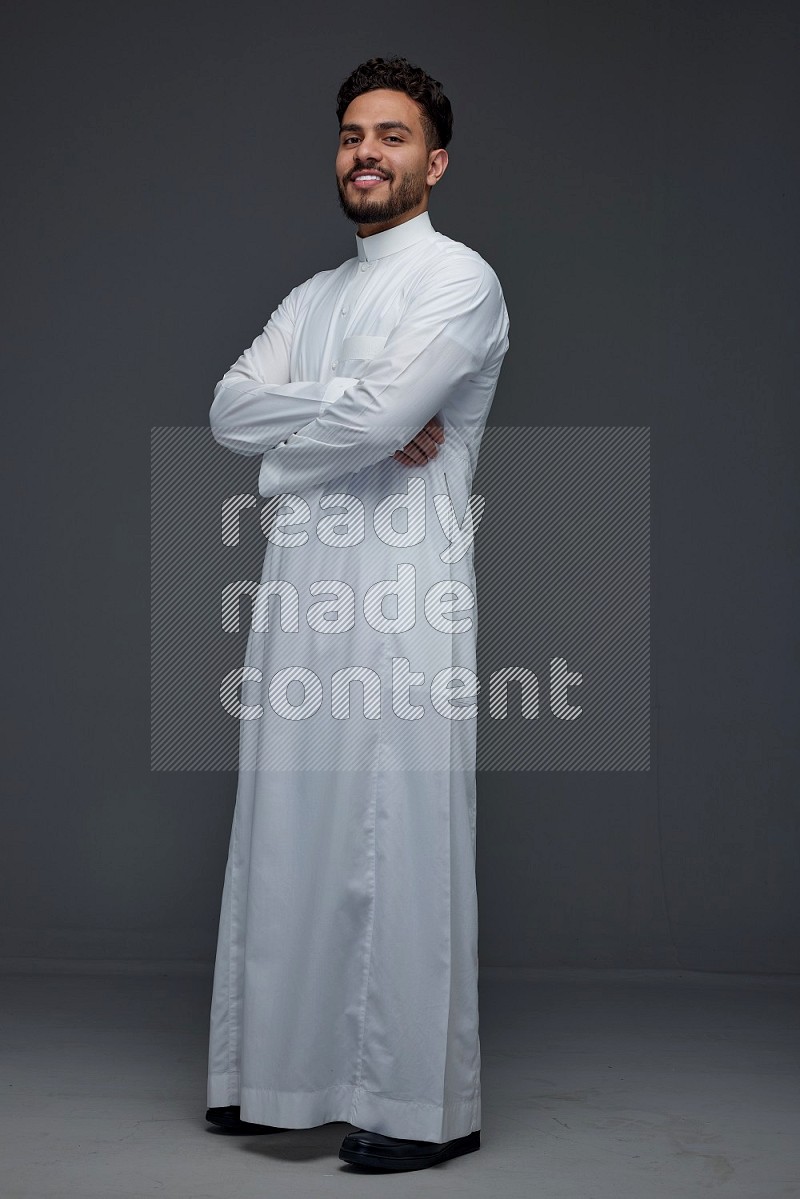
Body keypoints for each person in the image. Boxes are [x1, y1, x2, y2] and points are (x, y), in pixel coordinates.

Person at [205, 55, 510, 1173]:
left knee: (397, 837)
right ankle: (270, 1077)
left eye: (388, 135)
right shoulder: (311, 297)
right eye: (348, 135)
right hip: (297, 594)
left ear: (432, 160)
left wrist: (295, 461)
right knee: (287, 826)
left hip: (401, 596)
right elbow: (229, 407)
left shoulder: (459, 280)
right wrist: (357, 419)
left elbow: (378, 415)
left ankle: (426, 1106)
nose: (364, 153)